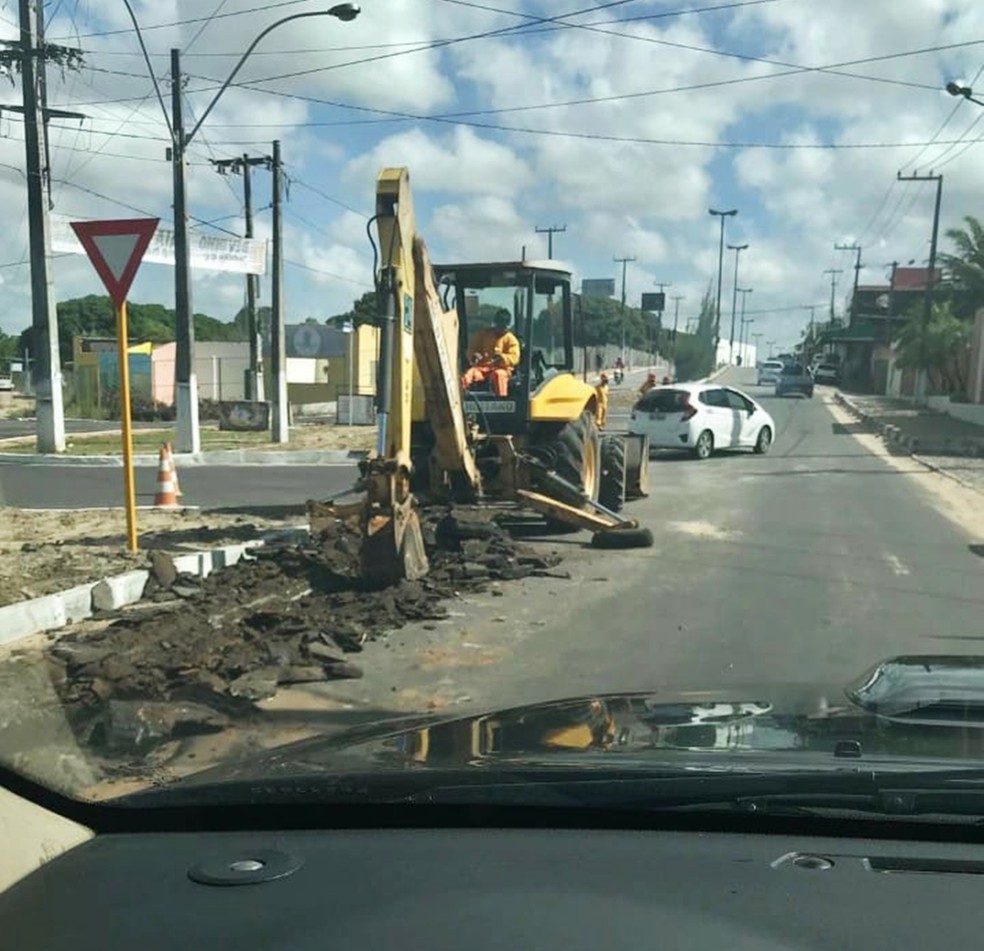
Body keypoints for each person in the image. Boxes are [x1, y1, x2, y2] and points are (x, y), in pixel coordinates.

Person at [461, 309, 521, 397]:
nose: (500, 328)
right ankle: (461, 400)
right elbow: (472, 349)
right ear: (495, 323)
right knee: (469, 375)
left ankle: (501, 402)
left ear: (507, 326)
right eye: (498, 325)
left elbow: (515, 357)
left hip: (502, 369)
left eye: (503, 326)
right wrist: (474, 356)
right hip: (482, 368)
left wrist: (502, 358)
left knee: (498, 375)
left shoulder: (511, 339)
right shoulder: (483, 334)